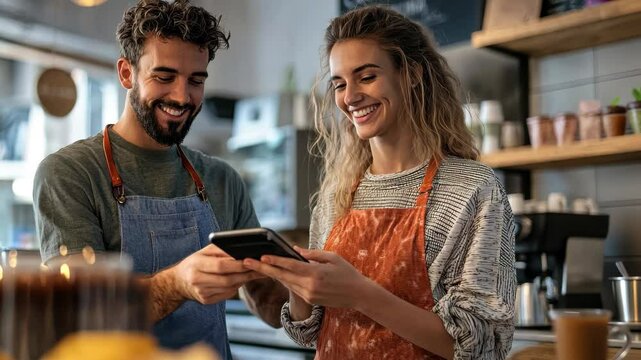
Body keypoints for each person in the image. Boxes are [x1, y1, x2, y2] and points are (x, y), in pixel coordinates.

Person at [242, 5, 516, 360]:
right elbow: (308, 333)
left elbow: (482, 346)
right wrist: (299, 288)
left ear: (412, 74)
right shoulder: (338, 194)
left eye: (367, 76)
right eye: (340, 83)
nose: (350, 96)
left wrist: (359, 293)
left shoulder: (471, 190)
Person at [32, 0, 286, 357]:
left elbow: (267, 299)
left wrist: (301, 288)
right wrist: (176, 282)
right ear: (126, 73)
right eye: (164, 77)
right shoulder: (70, 174)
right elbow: (80, 314)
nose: (182, 97)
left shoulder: (223, 180)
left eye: (196, 80)